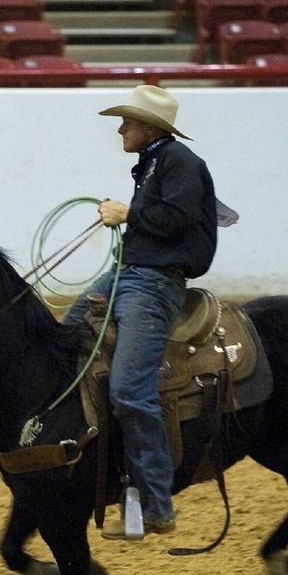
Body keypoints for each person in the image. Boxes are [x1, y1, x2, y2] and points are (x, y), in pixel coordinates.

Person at [64, 85, 218, 539]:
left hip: (154, 284)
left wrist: (128, 213)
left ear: (148, 126)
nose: (120, 129)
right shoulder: (154, 163)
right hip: (128, 273)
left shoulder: (181, 163)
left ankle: (157, 505)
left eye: (127, 122)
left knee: (131, 391)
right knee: (66, 334)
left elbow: (177, 219)